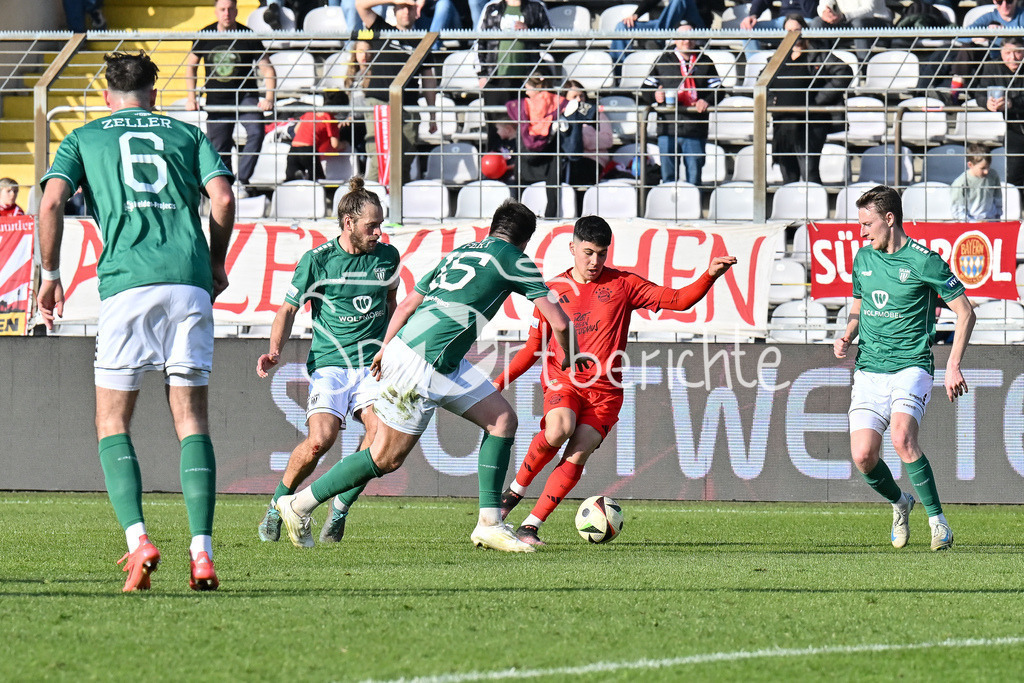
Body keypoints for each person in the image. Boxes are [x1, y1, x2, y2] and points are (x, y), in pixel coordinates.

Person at [274, 200, 585, 553]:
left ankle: (489, 523)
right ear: (525, 240)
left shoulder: (459, 253)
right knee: (385, 458)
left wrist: (384, 347)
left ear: (493, 228)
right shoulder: (514, 258)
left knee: (502, 421)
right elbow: (560, 322)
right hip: (423, 363)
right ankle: (298, 505)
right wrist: (574, 360)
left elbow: (407, 305)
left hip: (433, 357)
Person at [36, 51, 236, 591]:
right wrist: (215, 262)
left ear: (108, 95)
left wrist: (50, 274)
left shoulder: (85, 137)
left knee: (111, 423)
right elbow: (221, 196)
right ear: (154, 92)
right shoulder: (187, 134)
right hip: (188, 282)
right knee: (191, 420)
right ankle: (202, 552)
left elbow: (51, 202)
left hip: (127, 284)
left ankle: (139, 541)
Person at [494, 216, 737, 545]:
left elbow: (678, 301)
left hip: (606, 393)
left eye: (602, 254)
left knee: (578, 452)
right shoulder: (551, 291)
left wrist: (709, 276)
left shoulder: (623, 285)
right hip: (563, 382)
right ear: (573, 248)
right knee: (559, 429)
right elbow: (532, 349)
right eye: (588, 252)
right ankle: (514, 492)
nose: (595, 262)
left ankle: (531, 526)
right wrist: (497, 382)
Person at [255, 177, 400, 544]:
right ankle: (276, 507)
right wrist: (275, 351)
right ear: (348, 223)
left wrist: (393, 346)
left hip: (371, 365)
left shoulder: (387, 258)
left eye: (381, 224)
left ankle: (338, 512)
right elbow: (288, 309)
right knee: (320, 440)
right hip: (331, 365)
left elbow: (393, 306)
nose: (379, 233)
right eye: (372, 226)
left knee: (379, 435)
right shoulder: (317, 261)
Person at [834, 185, 975, 552]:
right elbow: (859, 303)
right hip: (869, 368)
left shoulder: (925, 261)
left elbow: (965, 312)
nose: (861, 231)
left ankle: (938, 522)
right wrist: (847, 333)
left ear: (890, 219)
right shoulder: (863, 258)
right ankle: (900, 503)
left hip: (911, 365)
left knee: (901, 438)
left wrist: (953, 365)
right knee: (863, 455)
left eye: (867, 224)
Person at [186, 0, 277, 194]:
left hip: (245, 96)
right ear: (216, 11)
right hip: (217, 99)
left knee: (256, 132)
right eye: (222, 9)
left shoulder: (247, 35)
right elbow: (190, 66)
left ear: (236, 10)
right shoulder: (205, 34)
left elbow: (268, 69)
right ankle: (226, 187)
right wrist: (191, 97)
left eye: (230, 9)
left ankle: (242, 179)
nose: (226, 13)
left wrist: (269, 97)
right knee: (220, 147)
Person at [356, 0, 439, 184]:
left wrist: (433, 114)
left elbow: (429, 80)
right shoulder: (382, 28)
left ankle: (399, 209)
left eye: (410, 7)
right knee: (379, 162)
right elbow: (361, 5)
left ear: (416, 12)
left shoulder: (422, 42)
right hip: (379, 103)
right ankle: (365, 207)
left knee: (403, 163)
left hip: (407, 107)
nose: (405, 12)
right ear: (394, 10)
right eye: (401, 7)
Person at [768, 15, 852, 184]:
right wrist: (772, 103)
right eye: (789, 31)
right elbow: (762, 83)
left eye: (796, 30)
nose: (793, 34)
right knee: (788, 174)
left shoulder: (817, 53)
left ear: (804, 31)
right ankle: (789, 209)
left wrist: (817, 100)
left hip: (810, 123)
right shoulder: (777, 58)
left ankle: (813, 209)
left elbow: (844, 72)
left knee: (809, 172)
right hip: (783, 123)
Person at [640, 22, 721, 186]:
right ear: (675, 40)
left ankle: (693, 208)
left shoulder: (705, 60)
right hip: (667, 128)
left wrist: (707, 100)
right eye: (682, 38)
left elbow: (719, 89)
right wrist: (655, 95)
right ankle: (669, 209)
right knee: (668, 177)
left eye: (691, 38)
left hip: (695, 128)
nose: (687, 41)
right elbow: (645, 89)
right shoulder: (663, 60)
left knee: (694, 177)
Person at [972, 37, 1024, 187]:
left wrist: (1012, 103)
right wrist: (987, 103)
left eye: (1018, 52)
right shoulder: (992, 67)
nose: (1012, 57)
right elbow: (979, 93)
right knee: (1014, 175)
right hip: (1012, 129)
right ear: (1001, 52)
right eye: (1008, 53)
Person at [609, 0, 705, 64]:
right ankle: (617, 75)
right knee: (623, 26)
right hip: (669, 24)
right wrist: (636, 14)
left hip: (694, 26)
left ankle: (658, 39)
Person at [286, 90, 347, 182]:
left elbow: (296, 130)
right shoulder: (330, 118)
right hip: (309, 150)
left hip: (293, 149)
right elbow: (335, 145)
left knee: (290, 181)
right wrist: (344, 144)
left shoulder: (310, 113)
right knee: (318, 180)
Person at [811, 0, 892, 64]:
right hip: (845, 21)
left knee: (858, 23)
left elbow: (869, 9)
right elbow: (824, 4)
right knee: (817, 22)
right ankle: (820, 66)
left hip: (877, 21)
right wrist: (825, 12)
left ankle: (864, 68)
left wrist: (843, 17)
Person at [950, 144, 1002, 221]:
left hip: (991, 221)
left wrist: (997, 217)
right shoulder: (961, 182)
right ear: (970, 165)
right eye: (983, 168)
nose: (986, 171)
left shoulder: (993, 175)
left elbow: (998, 199)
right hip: (969, 223)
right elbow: (957, 210)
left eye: (988, 167)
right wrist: (972, 222)